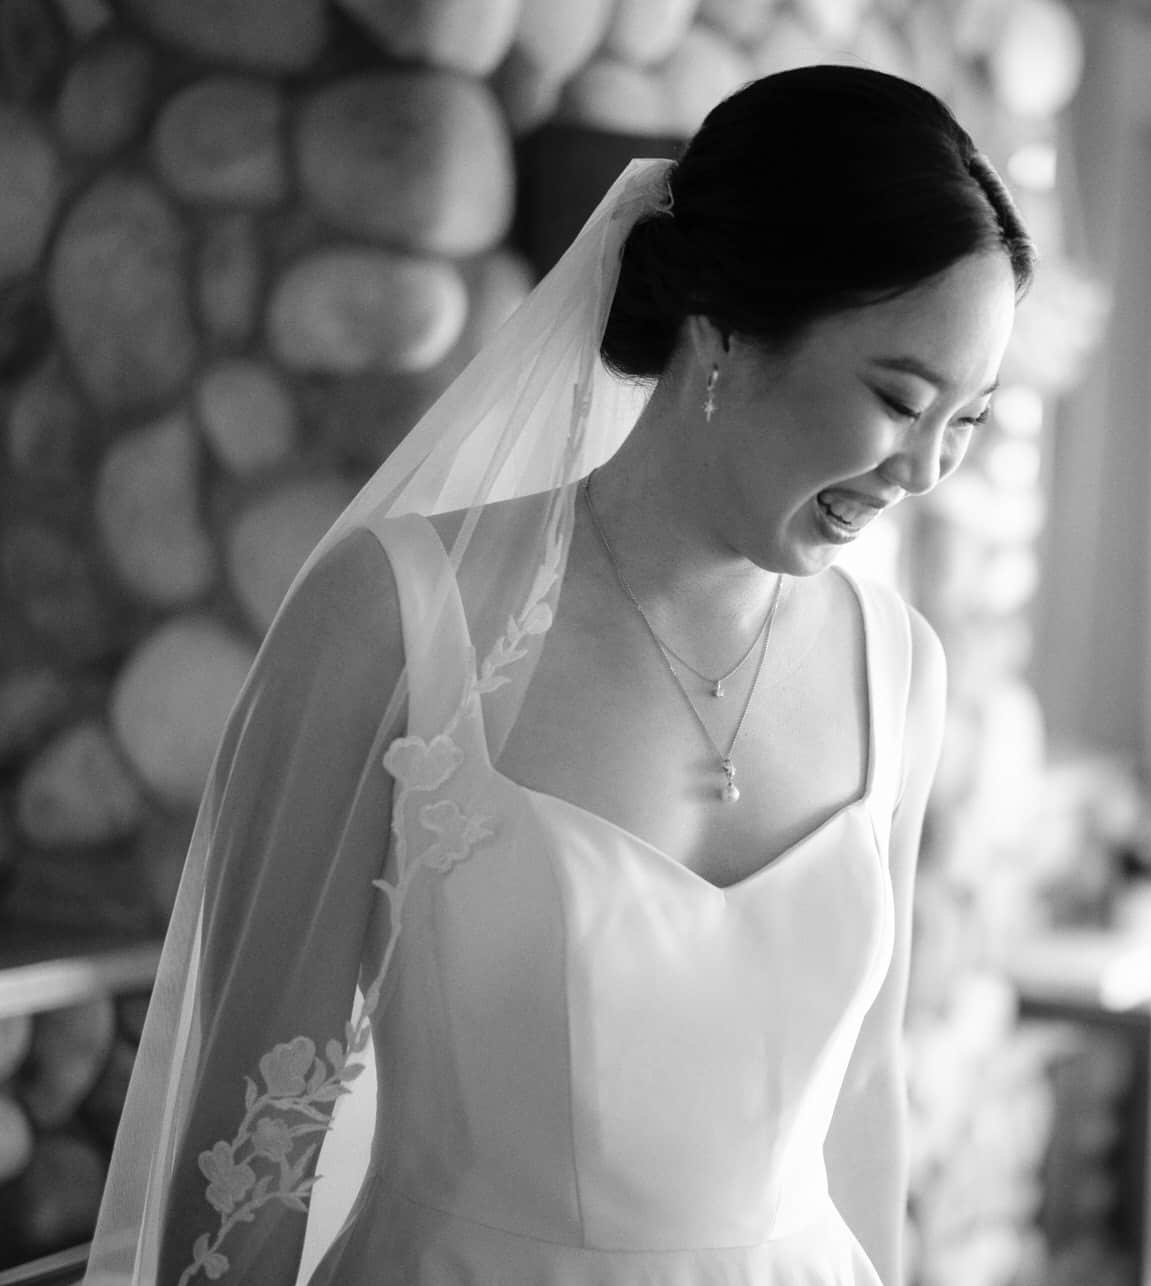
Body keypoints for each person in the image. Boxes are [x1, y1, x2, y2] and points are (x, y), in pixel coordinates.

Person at [85, 64, 1034, 1286]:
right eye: (901, 399)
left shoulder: (899, 666)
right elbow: (251, 1137)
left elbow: (866, 1091)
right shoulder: (393, 618)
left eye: (969, 421)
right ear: (728, 323)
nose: (924, 471)